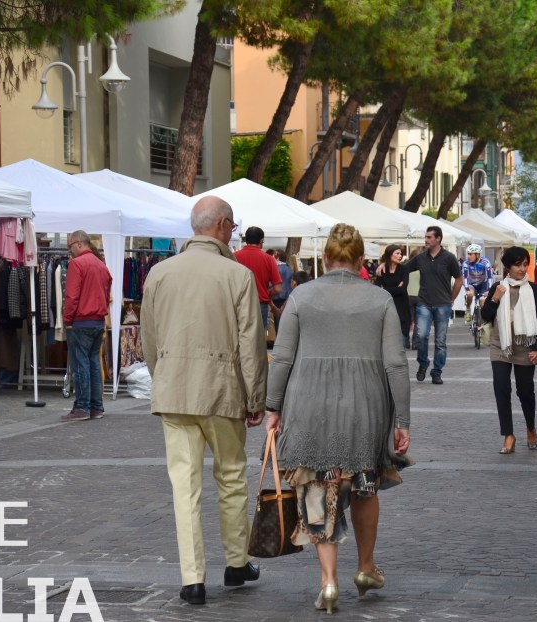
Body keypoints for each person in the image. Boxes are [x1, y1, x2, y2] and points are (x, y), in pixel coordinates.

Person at [264, 223, 411, 615]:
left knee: (317, 486)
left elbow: (281, 358)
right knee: (365, 485)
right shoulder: (380, 300)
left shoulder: (300, 296)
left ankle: (328, 582)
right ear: (362, 261)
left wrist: (272, 407)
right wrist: (403, 421)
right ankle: (365, 568)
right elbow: (396, 365)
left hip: (309, 405)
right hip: (365, 408)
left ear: (325, 259)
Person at [140, 196, 267, 606]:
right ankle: (236, 561)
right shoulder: (237, 275)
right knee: (231, 478)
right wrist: (256, 398)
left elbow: (150, 339)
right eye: (231, 226)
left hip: (175, 389)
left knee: (184, 487)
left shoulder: (159, 273)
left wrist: (164, 378)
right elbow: (251, 343)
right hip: (221, 390)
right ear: (224, 226)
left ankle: (192, 577)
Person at [480, 247, 537, 454]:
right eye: (518, 265)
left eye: (525, 264)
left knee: (525, 391)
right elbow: (485, 316)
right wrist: (495, 298)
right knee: (502, 389)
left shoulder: (534, 290)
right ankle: (508, 435)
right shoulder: (497, 287)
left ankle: (530, 427)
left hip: (525, 347)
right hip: (501, 345)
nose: (522, 268)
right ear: (508, 266)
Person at [377, 227, 463, 384]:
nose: (426, 240)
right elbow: (402, 268)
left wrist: (452, 298)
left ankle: (437, 371)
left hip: (443, 304)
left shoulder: (449, 258)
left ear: (438, 239)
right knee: (421, 336)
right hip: (423, 303)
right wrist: (384, 263)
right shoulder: (420, 258)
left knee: (440, 341)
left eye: (429, 237)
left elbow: (459, 279)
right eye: (425, 237)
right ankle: (423, 364)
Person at [61, 230, 113, 422]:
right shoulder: (101, 265)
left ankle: (82, 407)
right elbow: (106, 293)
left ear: (79, 244)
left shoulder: (77, 264)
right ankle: (96, 407)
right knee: (93, 363)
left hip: (81, 321)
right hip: (98, 320)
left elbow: (72, 296)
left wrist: (68, 320)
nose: (69, 250)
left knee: (81, 363)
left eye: (70, 246)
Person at [234, 226, 282, 329]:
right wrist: (266, 292)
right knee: (258, 341)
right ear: (261, 241)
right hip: (260, 304)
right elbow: (278, 289)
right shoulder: (269, 259)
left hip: (238, 304)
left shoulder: (234, 257)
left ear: (246, 239)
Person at [374, 244, 411, 348]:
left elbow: (402, 289)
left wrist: (384, 289)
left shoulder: (404, 269)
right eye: (397, 253)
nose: (400, 256)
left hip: (402, 309)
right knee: (387, 345)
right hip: (386, 308)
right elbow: (376, 289)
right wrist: (395, 288)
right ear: (390, 254)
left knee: (401, 346)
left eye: (401, 254)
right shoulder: (381, 269)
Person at [461, 243, 494, 323]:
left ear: (477, 255)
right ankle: (468, 309)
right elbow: (464, 278)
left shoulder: (485, 262)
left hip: (483, 284)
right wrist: (467, 289)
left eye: (470, 254)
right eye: (468, 254)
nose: (468, 256)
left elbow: (490, 277)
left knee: (483, 302)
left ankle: (483, 321)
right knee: (469, 294)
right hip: (471, 284)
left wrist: (489, 290)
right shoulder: (466, 263)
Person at [271, 249, 294, 331]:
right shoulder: (290, 269)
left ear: (277, 258)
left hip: (277, 297)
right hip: (288, 297)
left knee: (277, 321)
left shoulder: (275, 269)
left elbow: (271, 284)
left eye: (273, 256)